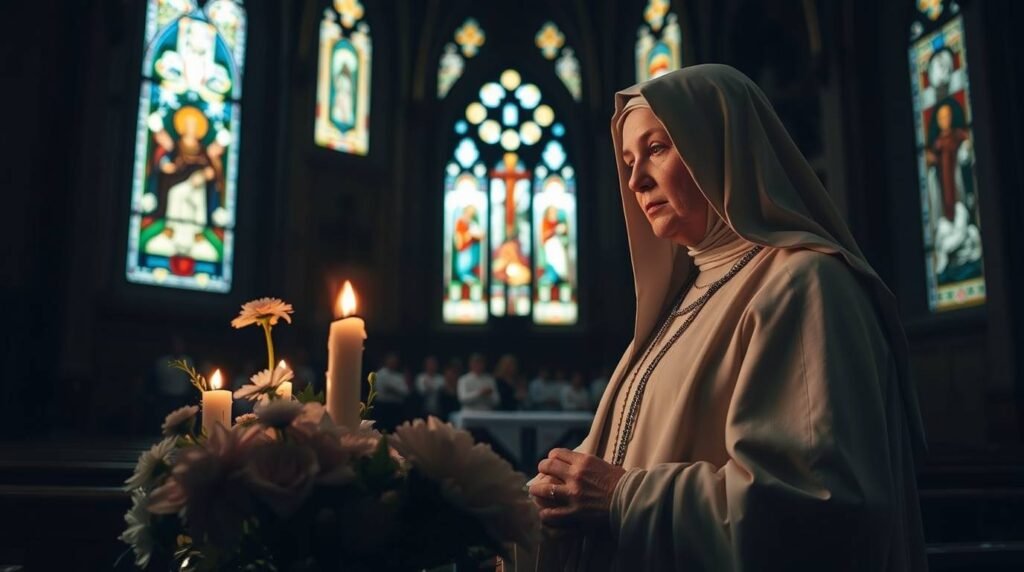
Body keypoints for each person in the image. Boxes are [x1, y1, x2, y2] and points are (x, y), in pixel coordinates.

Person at [525, 65, 926, 570]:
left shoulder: (804, 284)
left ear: (720, 145)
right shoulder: (680, 301)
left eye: (656, 149)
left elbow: (818, 506)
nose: (635, 179)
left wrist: (625, 499)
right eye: (627, 160)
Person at [372, 352, 409, 431]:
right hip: (382, 407)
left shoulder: (399, 376)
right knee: (381, 431)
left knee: (393, 431)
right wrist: (395, 389)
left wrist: (393, 389)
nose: (393, 363)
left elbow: (405, 391)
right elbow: (381, 388)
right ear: (386, 361)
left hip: (395, 409)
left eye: (395, 362)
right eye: (391, 361)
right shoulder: (380, 374)